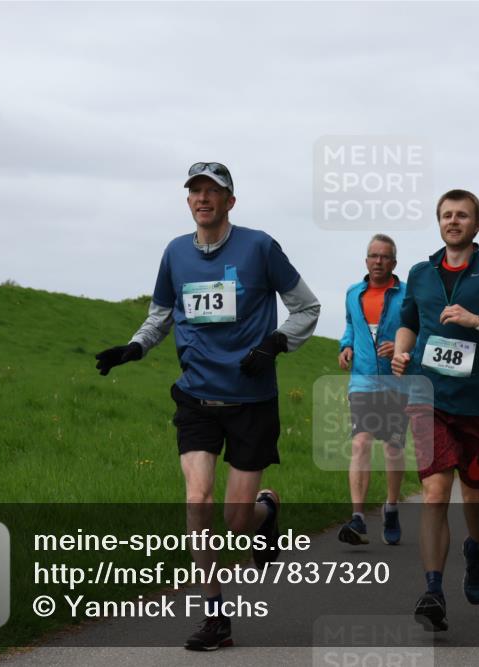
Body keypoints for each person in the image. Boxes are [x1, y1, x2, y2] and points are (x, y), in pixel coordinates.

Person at [94, 162, 321, 651]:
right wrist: (134, 347)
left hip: (251, 403)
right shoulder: (175, 253)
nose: (203, 198)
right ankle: (216, 617)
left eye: (213, 191)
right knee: (198, 501)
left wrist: (275, 344)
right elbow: (161, 315)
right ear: (189, 201)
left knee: (236, 522)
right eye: (195, 191)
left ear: (230, 201)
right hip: (196, 396)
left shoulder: (260, 247)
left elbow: (307, 307)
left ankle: (267, 510)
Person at [391, 189, 479, 632]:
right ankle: (433, 590)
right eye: (446, 215)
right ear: (439, 222)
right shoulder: (420, 273)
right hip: (429, 400)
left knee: (474, 491)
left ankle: (475, 547)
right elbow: (409, 322)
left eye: (463, 215)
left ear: (478, 224)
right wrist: (401, 353)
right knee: (436, 492)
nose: (453, 221)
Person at [337, 234, 408, 546]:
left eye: (384, 257)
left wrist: (402, 348)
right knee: (361, 443)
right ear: (366, 260)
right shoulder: (353, 294)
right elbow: (350, 326)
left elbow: (419, 331)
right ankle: (358, 518)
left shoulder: (407, 296)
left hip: (396, 381)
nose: (378, 261)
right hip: (363, 381)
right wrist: (346, 346)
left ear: (393, 262)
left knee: (392, 448)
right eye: (373, 256)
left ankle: (391, 507)